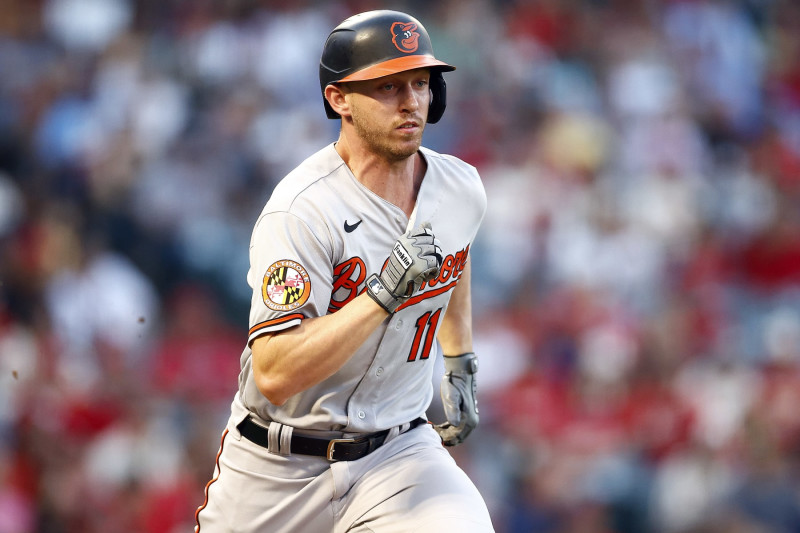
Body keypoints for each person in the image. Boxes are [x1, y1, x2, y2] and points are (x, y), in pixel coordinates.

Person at [194, 9, 493, 533]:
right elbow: (276, 372)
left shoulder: (460, 187)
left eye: (421, 83)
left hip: (400, 455)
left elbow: (456, 256)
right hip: (279, 466)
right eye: (388, 86)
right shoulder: (302, 211)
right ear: (339, 99)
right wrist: (380, 296)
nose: (411, 102)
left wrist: (460, 356)